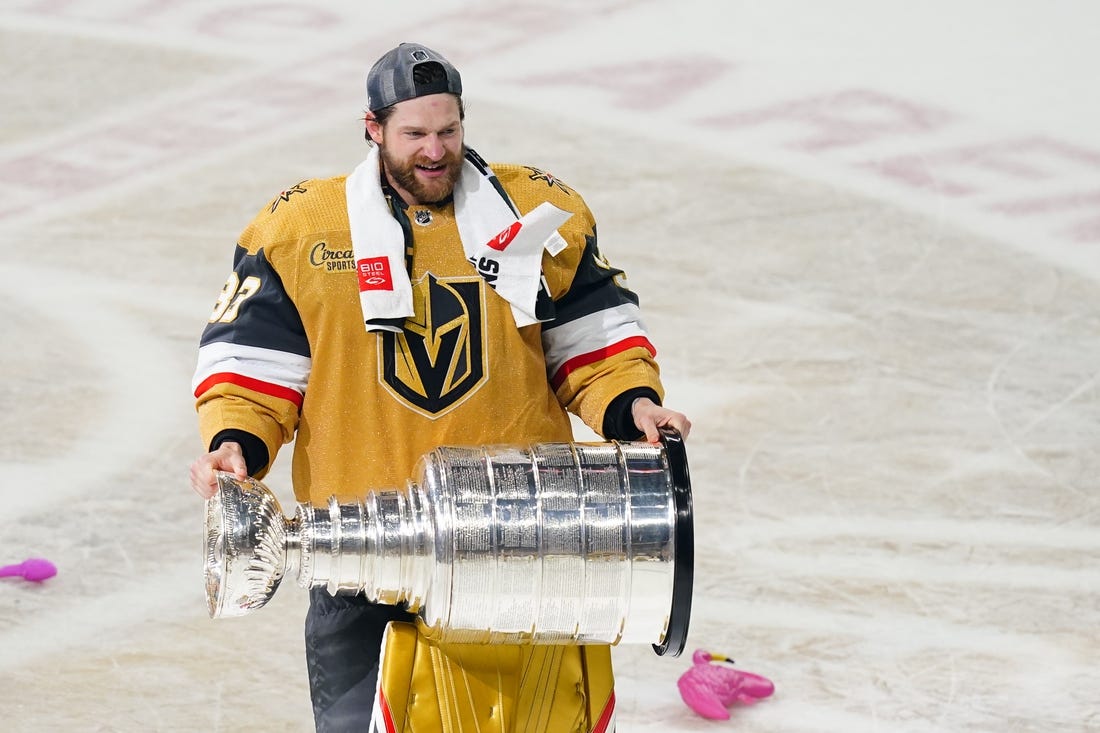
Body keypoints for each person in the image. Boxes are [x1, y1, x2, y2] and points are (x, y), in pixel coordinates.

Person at [189, 42, 691, 733]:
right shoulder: (300, 229)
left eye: (449, 131)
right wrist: (234, 444)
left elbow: (594, 342)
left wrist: (632, 404)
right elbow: (256, 366)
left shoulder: (542, 213)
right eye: (415, 135)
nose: (435, 150)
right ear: (373, 128)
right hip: (361, 549)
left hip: (521, 542)